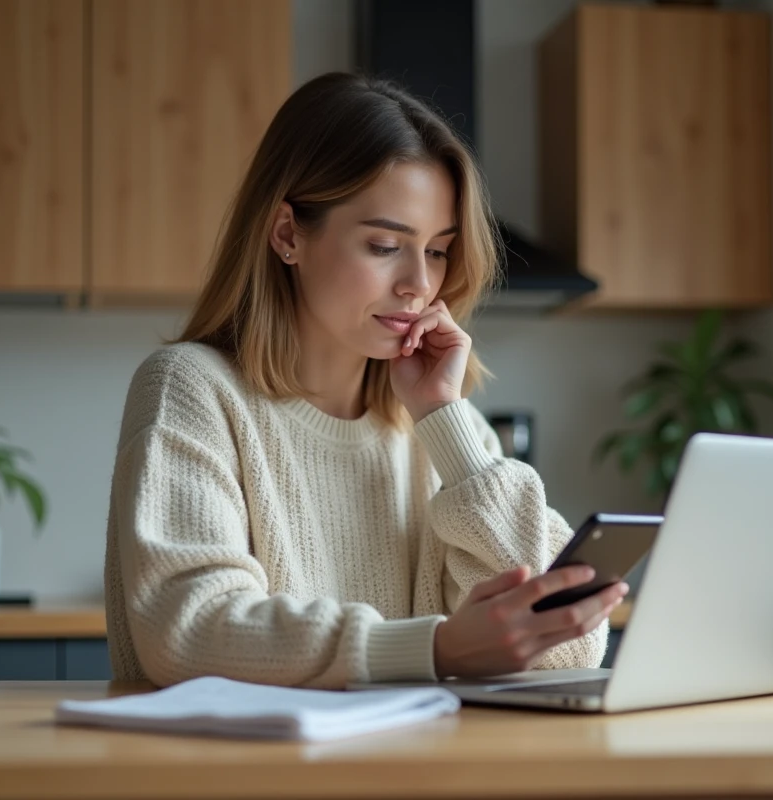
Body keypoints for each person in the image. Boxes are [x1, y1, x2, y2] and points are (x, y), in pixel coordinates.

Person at [103, 72, 628, 689]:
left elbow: (571, 649)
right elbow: (188, 629)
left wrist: (444, 421)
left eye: (437, 251)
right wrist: (434, 649)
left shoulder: (447, 427)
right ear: (287, 235)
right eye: (385, 245)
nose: (419, 284)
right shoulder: (191, 389)